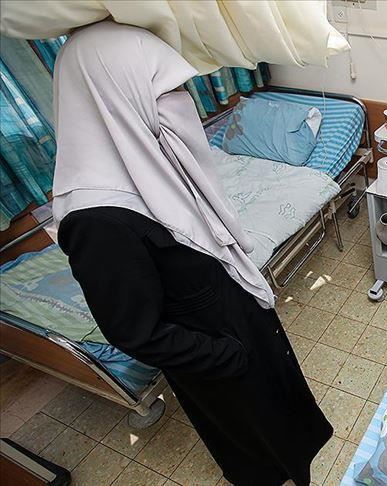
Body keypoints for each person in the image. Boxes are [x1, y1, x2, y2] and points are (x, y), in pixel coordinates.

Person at [52, 21, 331, 485]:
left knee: (285, 421)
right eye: (167, 92)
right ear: (117, 95)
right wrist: (227, 355)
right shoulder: (97, 220)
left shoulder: (151, 161)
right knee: (256, 443)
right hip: (218, 357)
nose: (184, 104)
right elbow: (134, 331)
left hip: (239, 326)